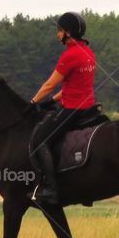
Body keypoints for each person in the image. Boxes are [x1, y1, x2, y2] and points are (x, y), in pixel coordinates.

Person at [27, 11, 98, 206]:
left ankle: (50, 189)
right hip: (90, 106)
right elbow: (74, 85)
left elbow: (50, 84)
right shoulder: (88, 53)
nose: (57, 34)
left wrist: (33, 102)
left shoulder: (70, 55)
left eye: (59, 30)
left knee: (40, 141)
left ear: (68, 32)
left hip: (74, 109)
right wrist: (53, 100)